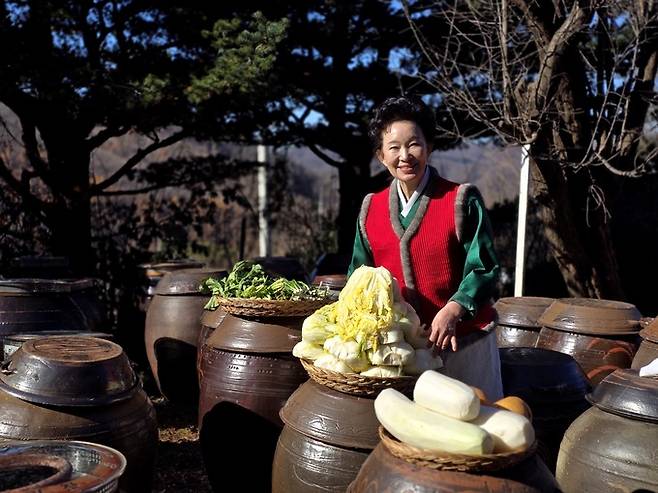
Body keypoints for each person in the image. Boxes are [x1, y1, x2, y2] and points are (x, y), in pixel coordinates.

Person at [348, 95, 503, 399]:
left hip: (465, 347)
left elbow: (484, 267)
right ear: (381, 155)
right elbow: (358, 276)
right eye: (393, 147)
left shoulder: (461, 200)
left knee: (478, 435)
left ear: (430, 147)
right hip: (401, 355)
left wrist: (455, 308)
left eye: (414, 144)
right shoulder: (371, 209)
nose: (405, 155)